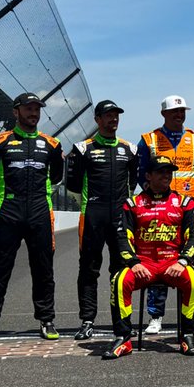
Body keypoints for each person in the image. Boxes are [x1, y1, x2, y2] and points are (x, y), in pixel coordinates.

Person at [0, 93, 65, 344]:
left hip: (39, 211)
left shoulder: (52, 144)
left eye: (37, 109)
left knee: (44, 269)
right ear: (16, 112)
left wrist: (40, 199)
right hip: (9, 211)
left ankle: (47, 320)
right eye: (28, 108)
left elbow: (56, 180)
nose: (33, 113)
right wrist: (2, 204)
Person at [105, 156, 194, 359]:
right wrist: (132, 262)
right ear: (148, 176)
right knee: (119, 280)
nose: (166, 175)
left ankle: (187, 335)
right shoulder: (132, 203)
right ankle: (123, 339)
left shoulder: (185, 202)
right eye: (160, 171)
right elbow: (122, 236)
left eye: (169, 171)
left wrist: (183, 260)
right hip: (143, 264)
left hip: (173, 262)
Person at [64, 100, 137, 341]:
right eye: (108, 115)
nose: (113, 119)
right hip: (92, 215)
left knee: (122, 270)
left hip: (120, 217)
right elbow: (72, 184)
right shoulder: (82, 148)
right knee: (88, 269)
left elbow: (133, 183)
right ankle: (87, 320)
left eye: (116, 115)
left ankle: (122, 321)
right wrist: (88, 204)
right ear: (97, 119)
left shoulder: (130, 149)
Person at [135, 94, 194, 333]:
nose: (179, 115)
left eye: (182, 111)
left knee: (191, 260)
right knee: (157, 258)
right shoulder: (149, 139)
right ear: (164, 114)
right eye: (174, 112)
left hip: (187, 208)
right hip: (157, 207)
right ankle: (155, 316)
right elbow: (141, 172)